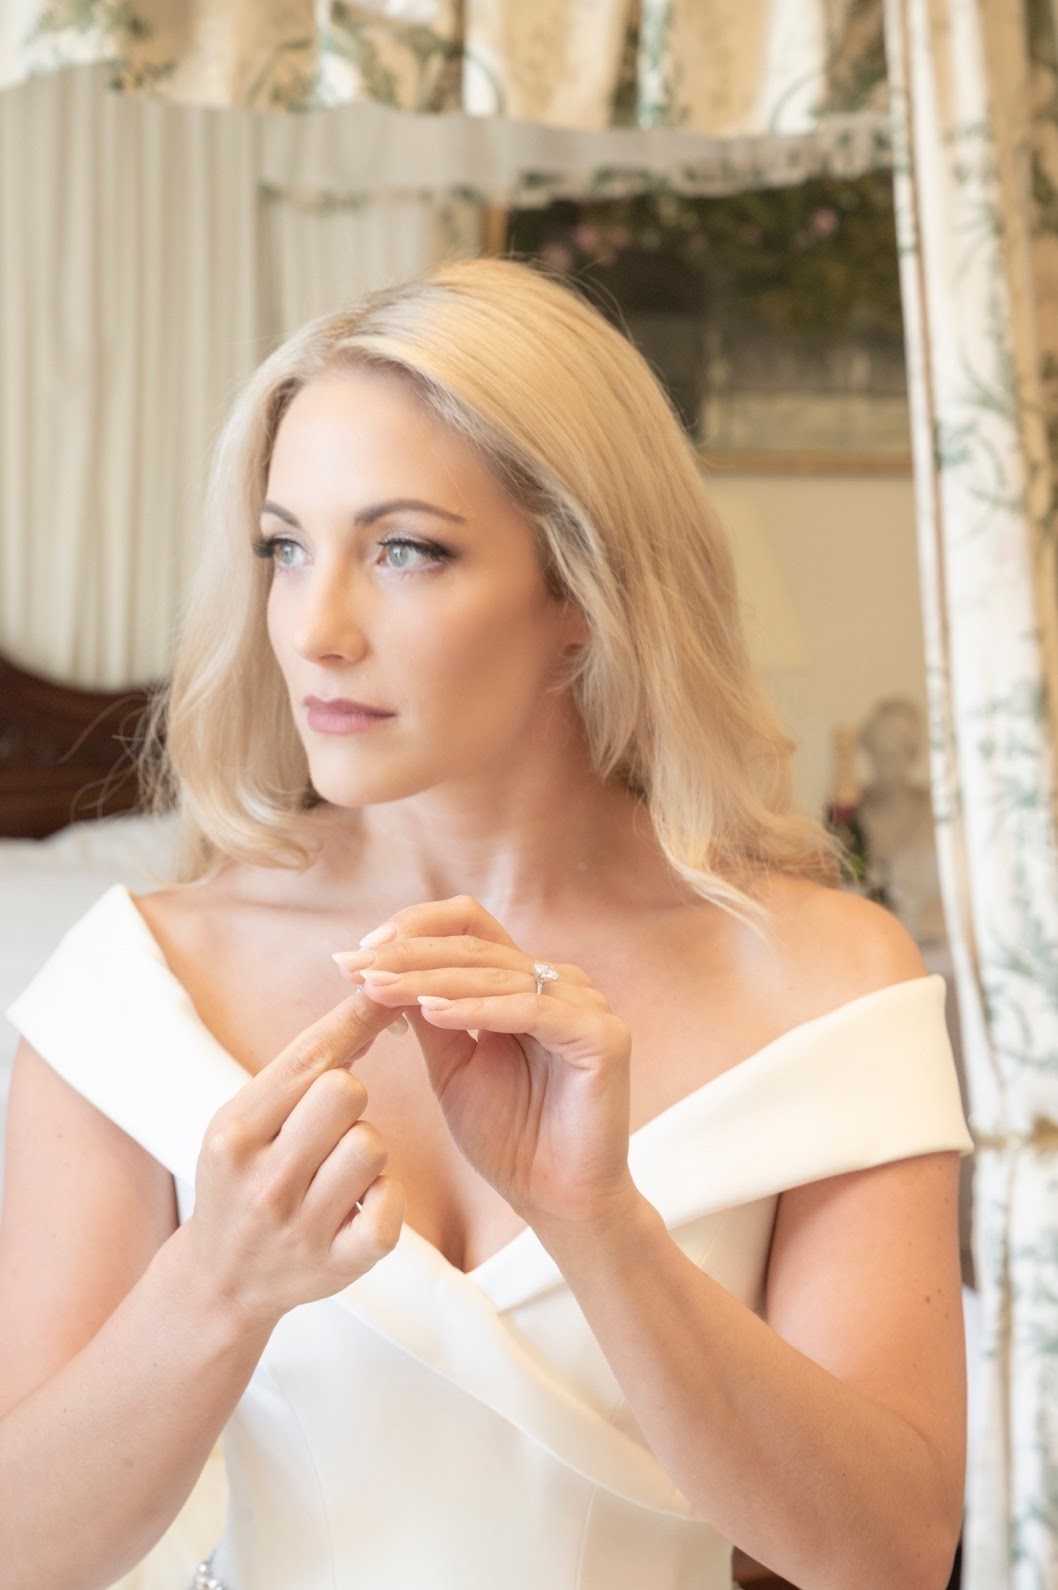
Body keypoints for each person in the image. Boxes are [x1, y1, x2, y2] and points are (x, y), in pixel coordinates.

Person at [0, 257, 973, 1590]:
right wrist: (212, 1284)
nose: (316, 629)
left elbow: (893, 1555)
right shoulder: (134, 987)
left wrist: (598, 1222)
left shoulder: (823, 978)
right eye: (285, 548)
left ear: (581, 590)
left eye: (404, 549)